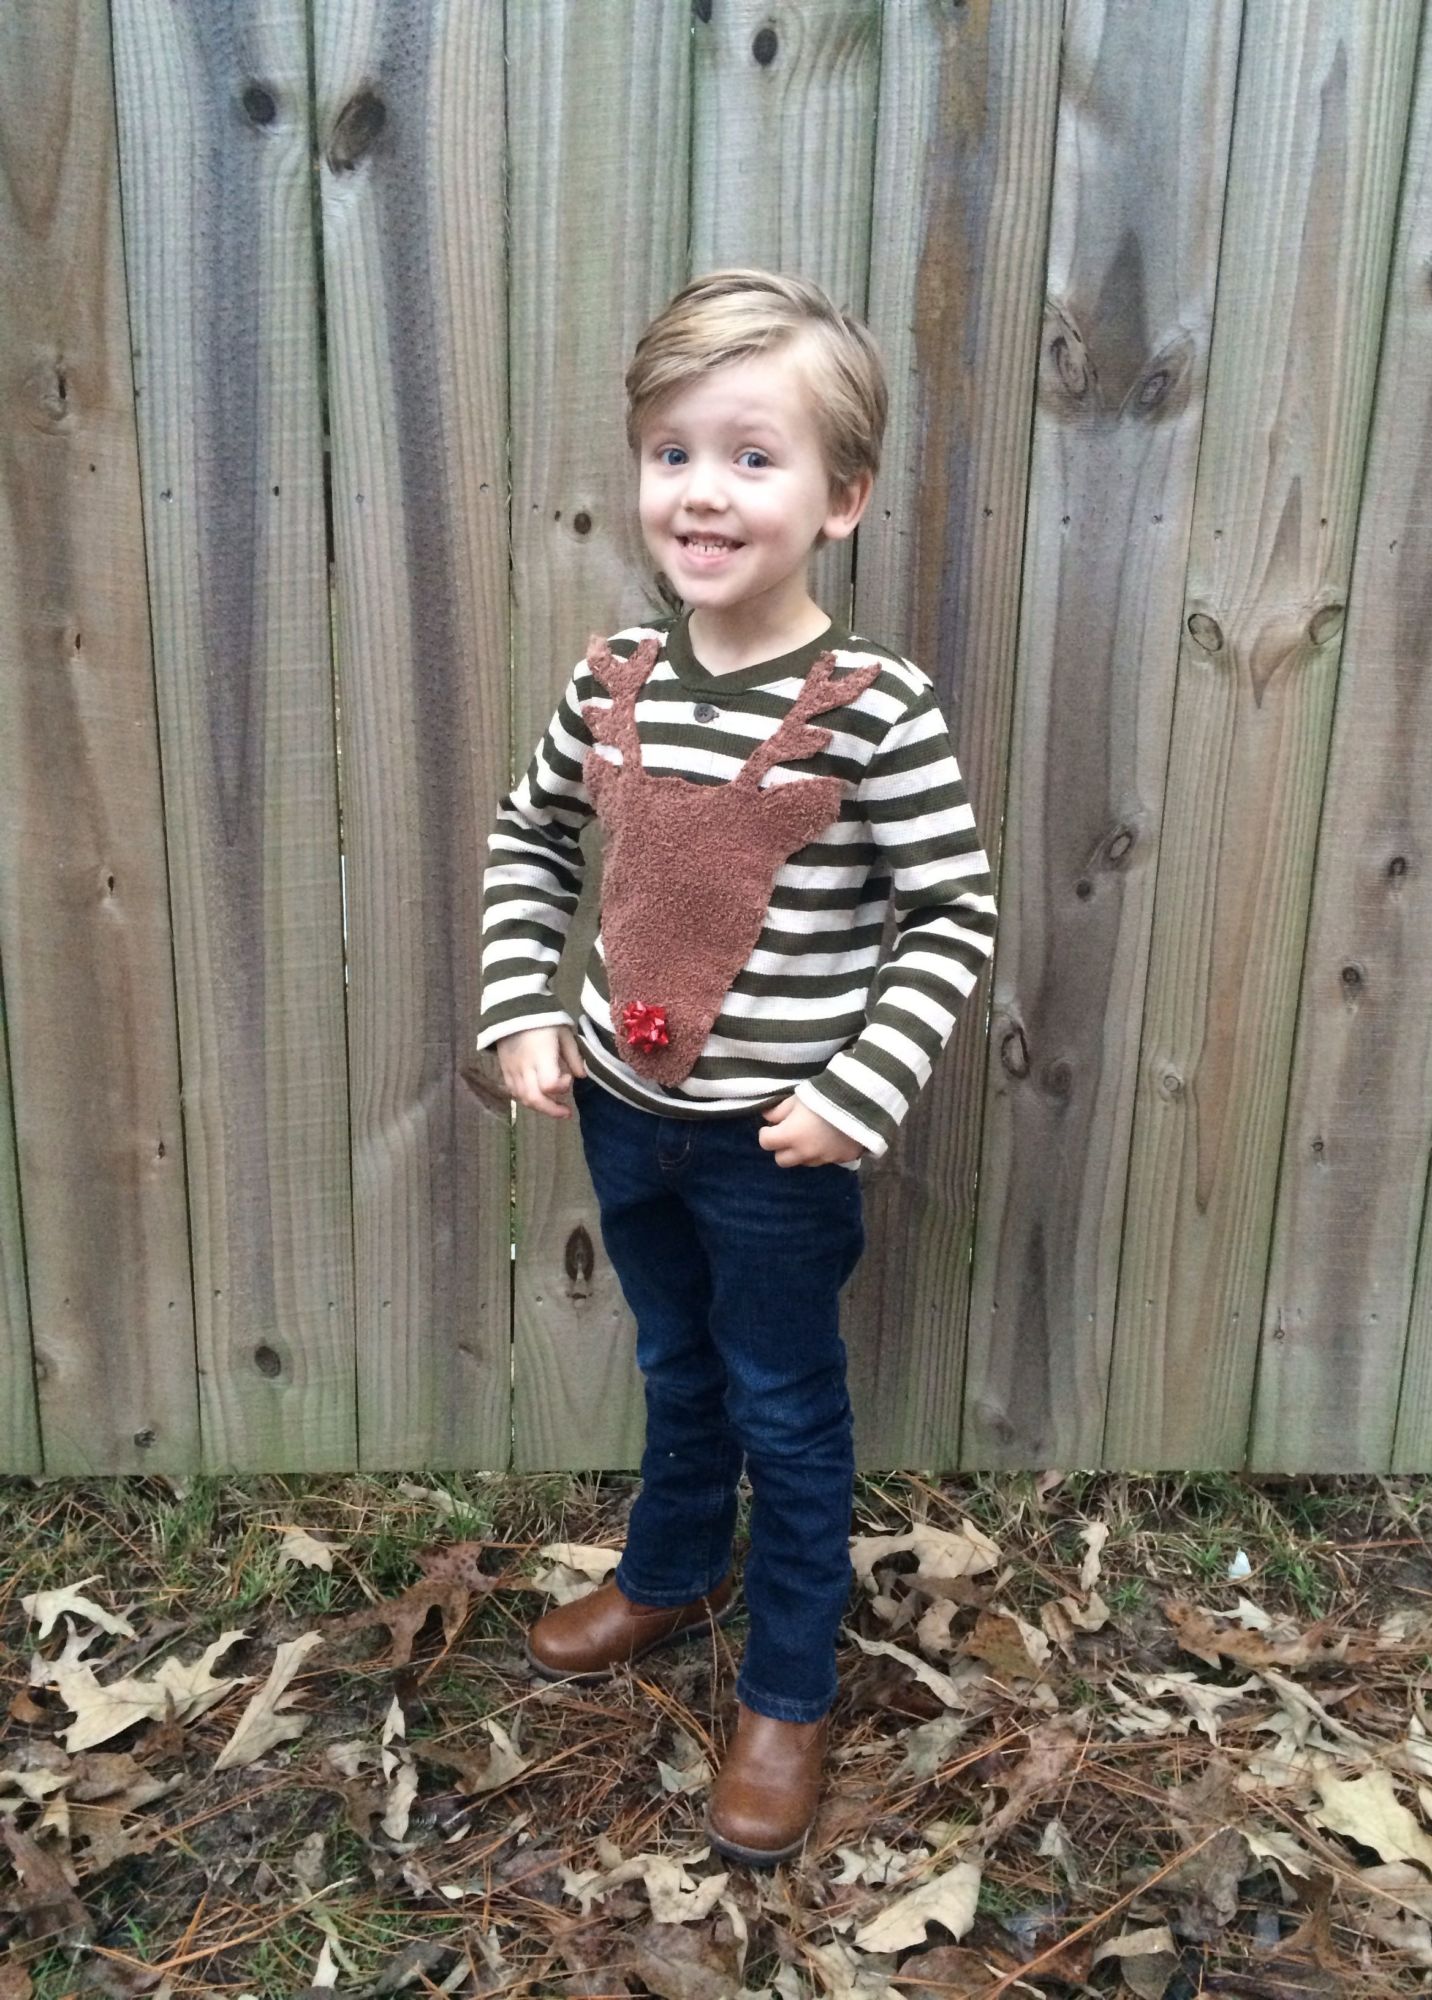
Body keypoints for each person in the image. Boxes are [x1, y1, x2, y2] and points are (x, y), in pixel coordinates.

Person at [477, 268, 996, 1866]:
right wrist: (521, 1007)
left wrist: (856, 1092)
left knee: (786, 1400)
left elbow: (952, 912)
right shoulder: (613, 681)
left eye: (753, 456)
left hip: (777, 1146)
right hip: (625, 1116)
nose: (704, 490)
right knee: (672, 1359)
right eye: (674, 452)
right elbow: (530, 838)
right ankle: (671, 1570)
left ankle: (786, 1685)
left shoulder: (875, 713)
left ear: (843, 498)